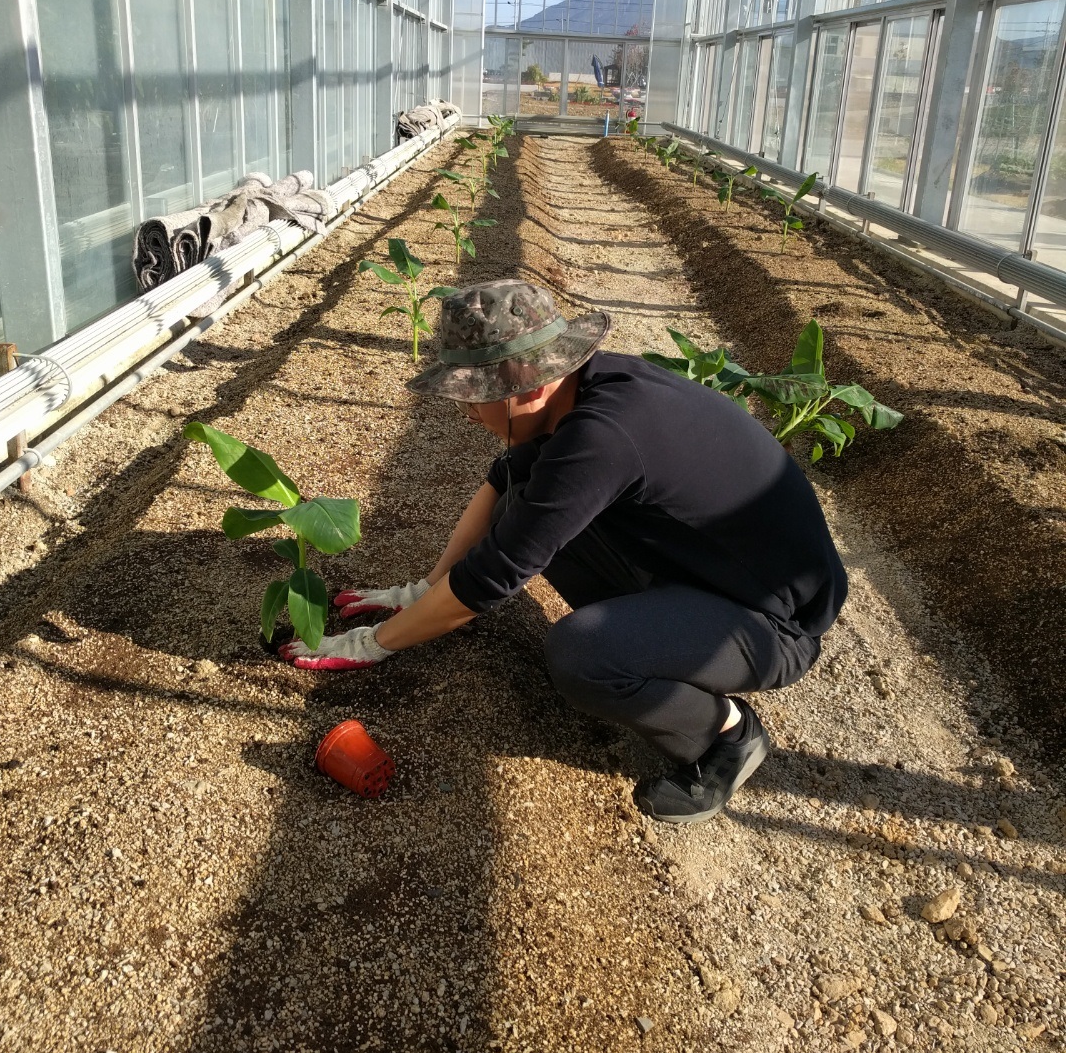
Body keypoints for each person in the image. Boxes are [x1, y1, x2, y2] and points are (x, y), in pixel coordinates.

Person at [283, 280, 847, 824]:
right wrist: (422, 591)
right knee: (521, 508)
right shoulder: (587, 388)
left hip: (770, 626)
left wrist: (370, 645)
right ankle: (657, 641)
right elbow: (502, 485)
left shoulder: (602, 436)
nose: (467, 413)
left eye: (475, 397)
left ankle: (725, 732)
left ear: (529, 386)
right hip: (707, 574)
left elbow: (488, 580)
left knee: (584, 656)